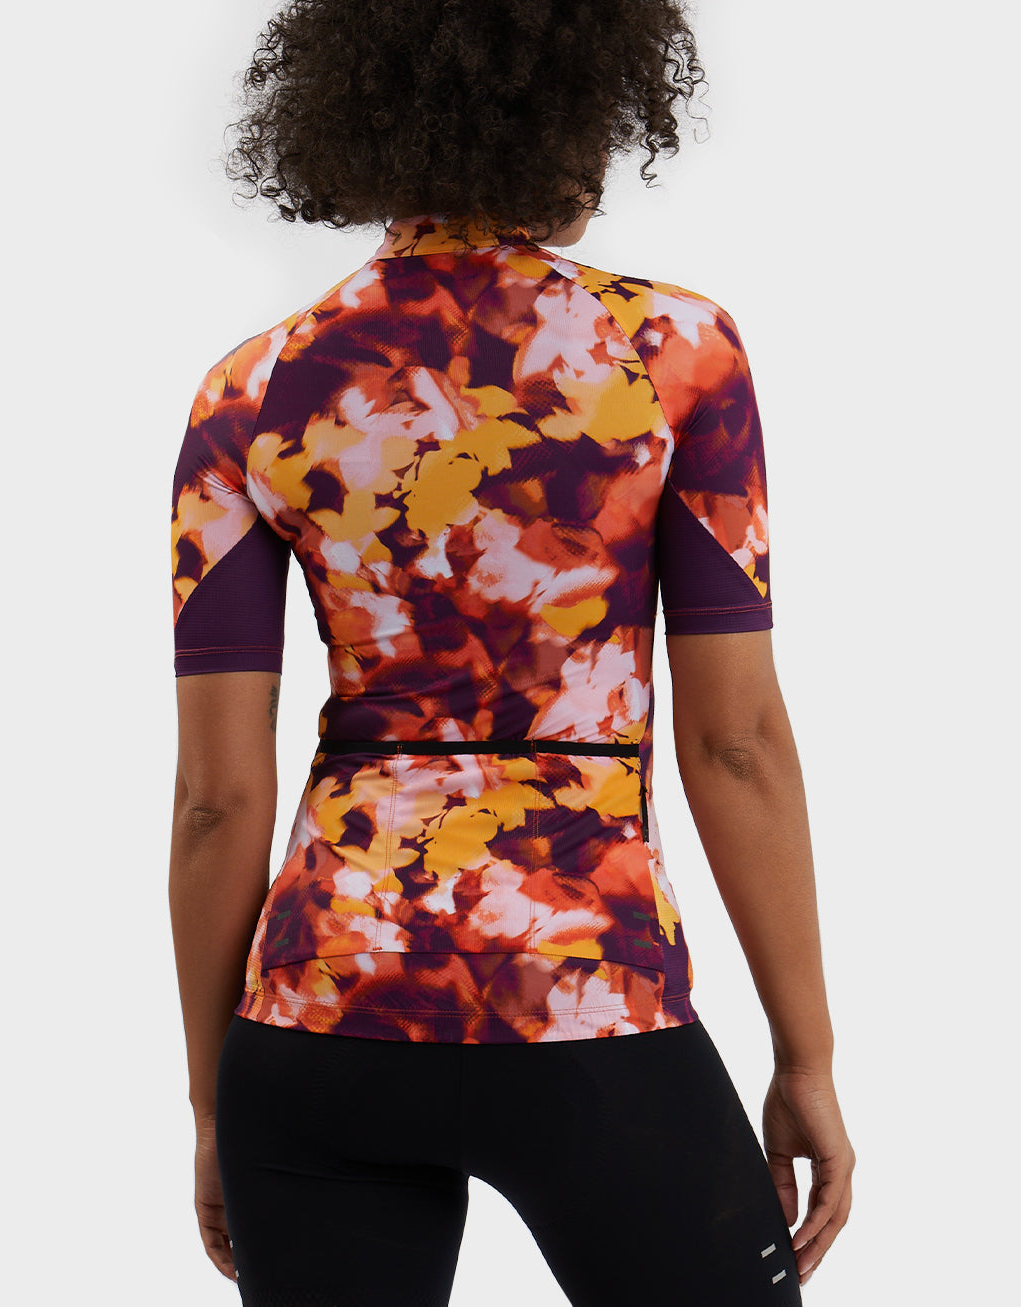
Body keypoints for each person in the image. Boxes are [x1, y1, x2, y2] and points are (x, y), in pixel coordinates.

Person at [168, 2, 855, 1303]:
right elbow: (736, 742)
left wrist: (214, 1105)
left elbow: (216, 798)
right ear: (572, 110)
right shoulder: (674, 354)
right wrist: (805, 1058)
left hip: (316, 1024)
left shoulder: (248, 392)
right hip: (588, 1000)